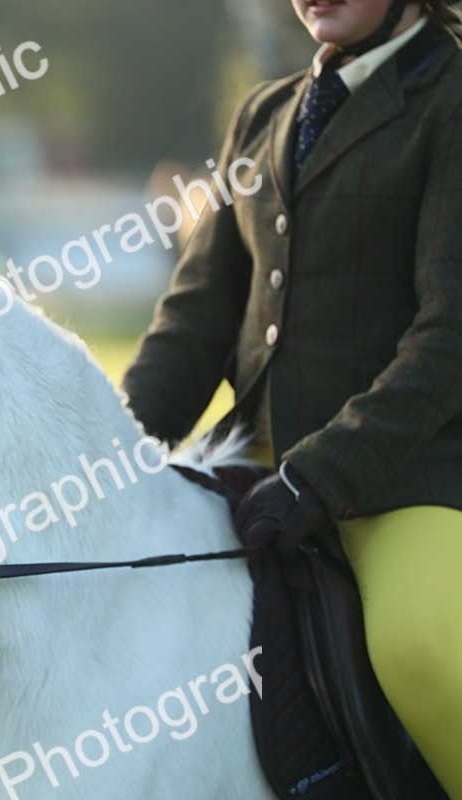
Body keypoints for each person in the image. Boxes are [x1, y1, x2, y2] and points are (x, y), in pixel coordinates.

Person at [121, 0, 462, 795]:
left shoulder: (452, 101)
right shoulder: (266, 112)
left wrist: (320, 475)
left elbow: (449, 337)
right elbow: (195, 322)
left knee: (428, 653)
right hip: (252, 463)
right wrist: (105, 458)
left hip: (401, 475)